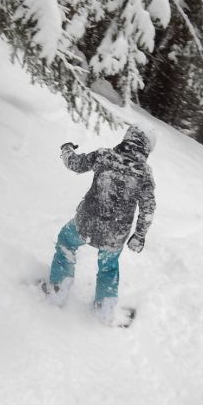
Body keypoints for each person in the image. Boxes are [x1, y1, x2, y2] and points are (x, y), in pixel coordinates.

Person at [43, 125, 156, 324]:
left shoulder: (105, 156)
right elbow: (148, 208)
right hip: (116, 234)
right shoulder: (144, 174)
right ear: (146, 148)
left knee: (66, 244)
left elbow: (75, 164)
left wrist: (66, 149)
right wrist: (139, 235)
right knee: (108, 268)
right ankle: (104, 308)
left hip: (86, 223)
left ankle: (58, 289)